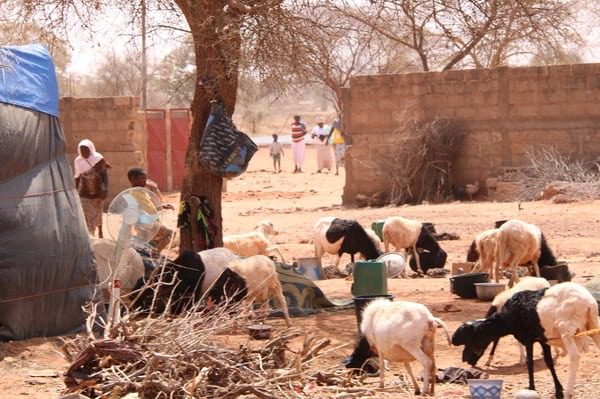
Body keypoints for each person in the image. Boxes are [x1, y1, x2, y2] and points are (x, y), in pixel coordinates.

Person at [127, 167, 175, 255]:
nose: (145, 181)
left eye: (145, 178)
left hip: (152, 221)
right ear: (133, 179)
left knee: (160, 238)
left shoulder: (143, 192)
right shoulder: (132, 194)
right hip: (145, 223)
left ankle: (150, 253)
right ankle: (154, 255)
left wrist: (162, 206)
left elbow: (149, 205)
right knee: (168, 233)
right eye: (142, 178)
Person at [74, 139, 110, 238]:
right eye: (81, 150)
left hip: (97, 190)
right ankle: (90, 234)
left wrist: (105, 189)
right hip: (84, 191)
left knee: (97, 213)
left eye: (86, 149)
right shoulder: (78, 161)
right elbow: (77, 176)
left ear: (91, 149)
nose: (83, 152)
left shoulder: (98, 159)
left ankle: (100, 230)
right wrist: (75, 192)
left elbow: (104, 175)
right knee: (85, 213)